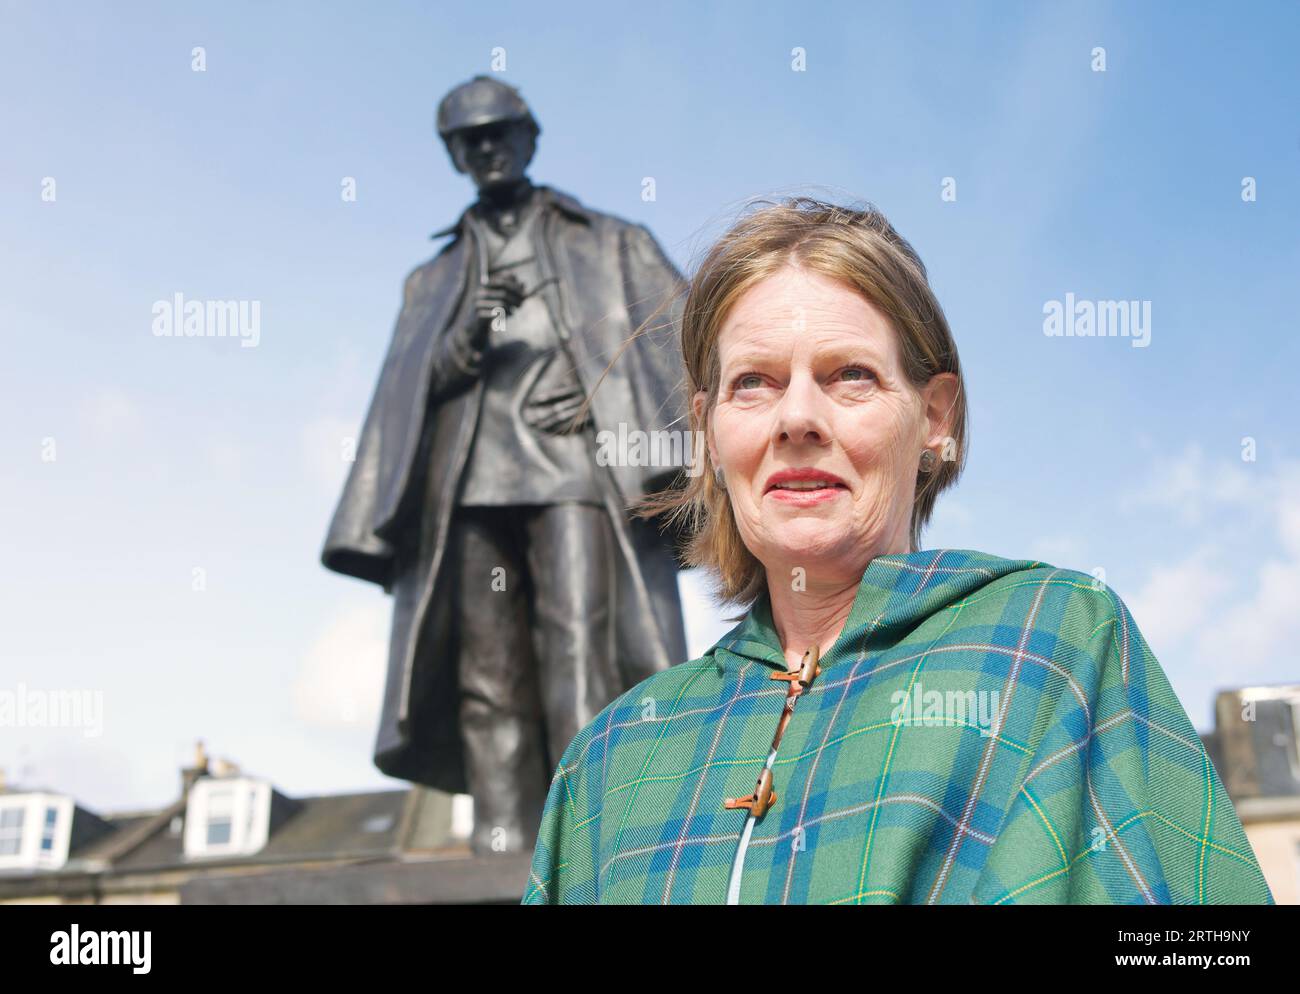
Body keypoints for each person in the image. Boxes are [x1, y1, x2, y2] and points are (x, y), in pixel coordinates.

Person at [521, 196, 1275, 904]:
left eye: (850, 375)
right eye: (753, 383)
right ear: (709, 430)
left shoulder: (1057, 643)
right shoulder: (611, 756)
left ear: (935, 417)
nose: (797, 419)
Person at [321, 76, 689, 856]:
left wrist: (603, 380)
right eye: (468, 140)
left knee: (581, 651)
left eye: (498, 132)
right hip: (468, 489)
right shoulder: (435, 278)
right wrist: (461, 345)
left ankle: (594, 840)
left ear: (530, 136)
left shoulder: (607, 239)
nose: (486, 148)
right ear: (454, 156)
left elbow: (689, 337)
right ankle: (500, 844)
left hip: (572, 477)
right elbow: (410, 388)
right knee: (485, 675)